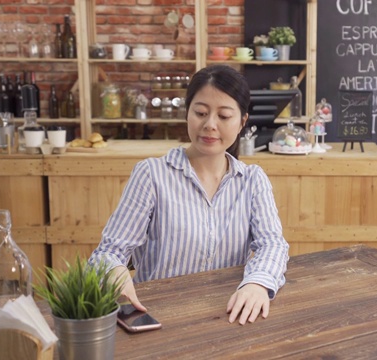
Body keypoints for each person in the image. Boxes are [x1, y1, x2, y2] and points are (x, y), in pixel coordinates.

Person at [89, 65, 289, 325]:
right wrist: (116, 272)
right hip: (157, 317)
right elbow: (107, 252)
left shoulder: (252, 180)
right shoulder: (152, 174)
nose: (209, 125)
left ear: (242, 122)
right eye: (201, 113)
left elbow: (272, 244)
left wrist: (258, 284)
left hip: (228, 315)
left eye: (224, 116)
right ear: (187, 114)